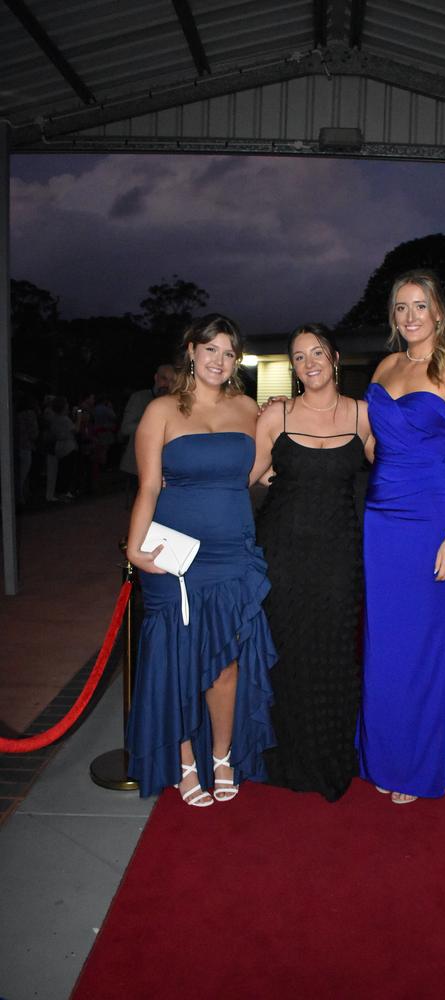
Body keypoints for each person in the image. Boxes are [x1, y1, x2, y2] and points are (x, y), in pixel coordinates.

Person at [125, 315, 276, 806]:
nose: (220, 360)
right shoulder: (162, 410)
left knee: (226, 661)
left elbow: (262, 470)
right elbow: (148, 486)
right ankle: (184, 760)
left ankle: (222, 755)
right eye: (211, 349)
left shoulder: (249, 407)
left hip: (233, 547)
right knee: (179, 659)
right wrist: (134, 547)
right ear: (191, 351)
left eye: (230, 353)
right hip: (178, 552)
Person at [357, 270, 445, 805]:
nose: (410, 317)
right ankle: (383, 754)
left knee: (425, 644)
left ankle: (416, 764)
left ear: (438, 312)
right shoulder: (385, 366)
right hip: (381, 517)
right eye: (401, 308)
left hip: (432, 519)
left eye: (419, 306)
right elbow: (369, 443)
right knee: (384, 642)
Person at [250, 324, 373, 801]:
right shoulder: (276, 415)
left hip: (339, 556)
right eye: (299, 357)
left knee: (334, 654)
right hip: (280, 553)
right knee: (286, 653)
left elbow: (395, 464)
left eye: (317, 352)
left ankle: (328, 759)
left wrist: (442, 470)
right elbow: (247, 476)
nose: (309, 363)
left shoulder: (363, 415)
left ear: (336, 357)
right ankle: (283, 758)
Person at [120, 364, 176, 504]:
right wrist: (154, 425)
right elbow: (126, 428)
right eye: (164, 379)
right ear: (156, 378)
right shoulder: (139, 398)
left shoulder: (177, 402)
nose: (167, 384)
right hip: (138, 466)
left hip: (167, 469)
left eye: (172, 381)